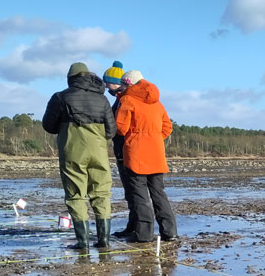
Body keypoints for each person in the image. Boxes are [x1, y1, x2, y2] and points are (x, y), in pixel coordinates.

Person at [42, 62, 115, 249]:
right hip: (99, 151)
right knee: (101, 193)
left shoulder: (60, 97)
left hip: (72, 151)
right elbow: (111, 130)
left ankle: (82, 242)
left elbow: (48, 126)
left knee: (75, 195)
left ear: (70, 79)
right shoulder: (103, 99)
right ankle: (104, 240)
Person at [115, 70, 178, 243]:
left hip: (136, 153)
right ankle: (170, 232)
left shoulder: (127, 100)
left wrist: (136, 137)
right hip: (156, 153)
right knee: (159, 193)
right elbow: (167, 127)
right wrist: (154, 138)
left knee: (140, 195)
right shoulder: (157, 102)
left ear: (129, 84)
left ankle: (144, 235)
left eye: (122, 83)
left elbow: (120, 128)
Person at [102, 60, 136, 238]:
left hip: (127, 152)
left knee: (134, 192)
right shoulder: (119, 100)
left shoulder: (125, 100)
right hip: (122, 151)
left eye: (108, 83)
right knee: (130, 192)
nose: (107, 87)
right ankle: (132, 225)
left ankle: (136, 227)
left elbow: (121, 128)